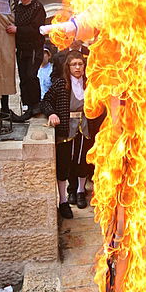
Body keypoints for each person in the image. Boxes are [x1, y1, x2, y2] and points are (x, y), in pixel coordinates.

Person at [42, 51, 93, 219]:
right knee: (64, 163)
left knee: (82, 161)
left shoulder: (90, 84)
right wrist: (51, 114)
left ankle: (79, 192)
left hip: (84, 128)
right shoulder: (61, 83)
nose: (78, 67)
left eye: (80, 64)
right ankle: (63, 200)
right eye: (74, 64)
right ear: (68, 67)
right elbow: (46, 101)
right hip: (65, 128)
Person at [6, 0, 46, 122]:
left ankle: (36, 105)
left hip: (35, 48)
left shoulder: (38, 7)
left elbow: (36, 28)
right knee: (23, 78)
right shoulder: (16, 8)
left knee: (31, 75)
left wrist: (18, 30)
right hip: (21, 49)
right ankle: (27, 107)